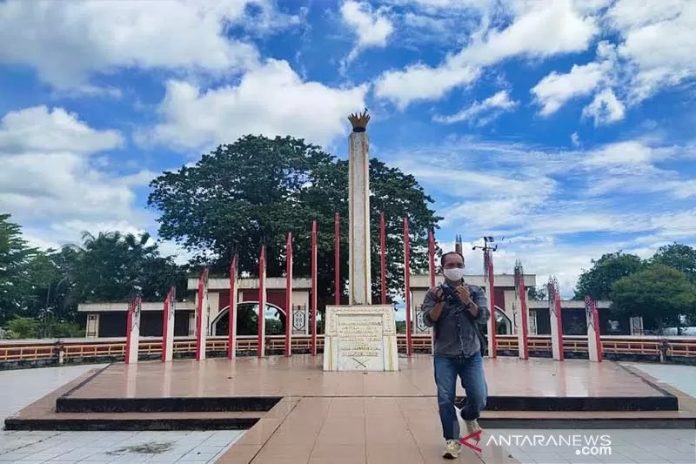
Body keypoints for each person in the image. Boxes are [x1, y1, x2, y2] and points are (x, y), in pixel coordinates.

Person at [421, 251, 489, 459]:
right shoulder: (433, 293)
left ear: (464, 266)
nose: (454, 268)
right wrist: (440, 304)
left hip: (471, 353)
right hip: (445, 355)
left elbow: (483, 317)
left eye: (458, 264)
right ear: (442, 268)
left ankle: (469, 415)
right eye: (450, 264)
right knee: (445, 398)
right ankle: (452, 440)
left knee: (479, 396)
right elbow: (427, 320)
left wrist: (468, 301)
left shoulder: (475, 291)